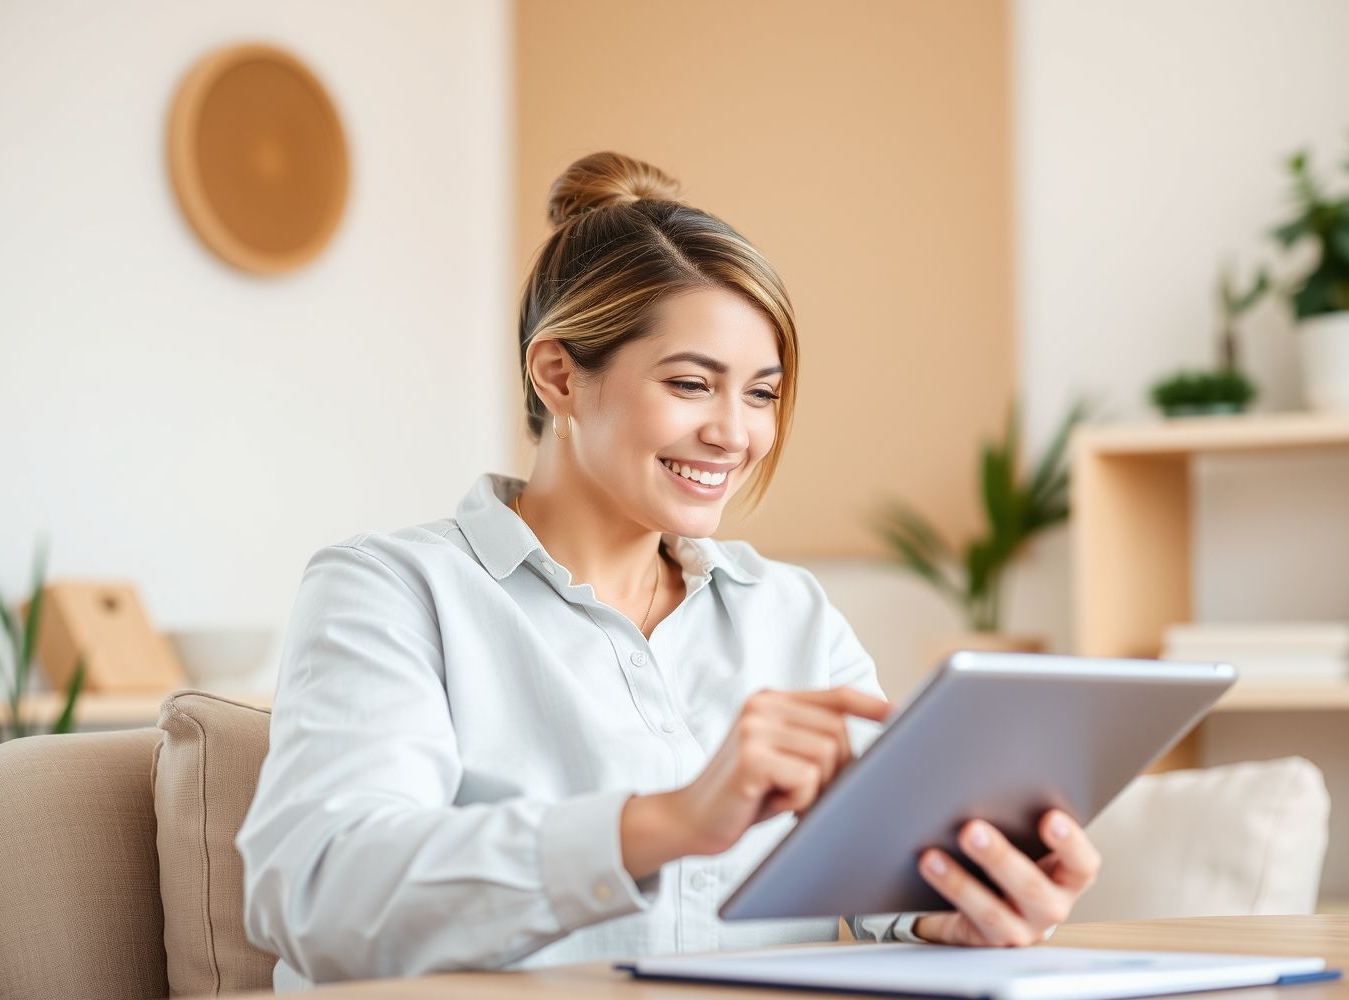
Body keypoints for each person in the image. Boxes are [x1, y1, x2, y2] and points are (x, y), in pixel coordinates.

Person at [236, 151, 1101, 989]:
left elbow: (883, 877)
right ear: (558, 375)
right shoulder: (390, 591)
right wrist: (662, 824)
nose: (737, 433)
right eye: (693, 384)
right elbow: (318, 896)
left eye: (761, 393)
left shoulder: (787, 613)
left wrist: (958, 904)